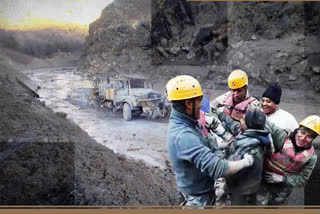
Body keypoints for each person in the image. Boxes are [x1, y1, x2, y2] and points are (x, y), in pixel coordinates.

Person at [166, 75, 254, 208]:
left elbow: (209, 144)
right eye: (199, 100)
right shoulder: (184, 136)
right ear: (188, 104)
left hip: (197, 189)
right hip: (197, 200)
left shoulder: (188, 122)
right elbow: (219, 168)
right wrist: (247, 161)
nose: (201, 105)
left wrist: (228, 145)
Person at [206, 108, 271, 205]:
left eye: (243, 119)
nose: (240, 120)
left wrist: (214, 147)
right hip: (251, 185)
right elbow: (233, 125)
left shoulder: (248, 147)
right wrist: (219, 113)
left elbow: (227, 167)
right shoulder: (256, 135)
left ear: (250, 124)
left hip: (241, 192)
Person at [257, 115, 320, 205]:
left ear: (313, 138)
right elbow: (266, 123)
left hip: (280, 191)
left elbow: (303, 180)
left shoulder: (311, 157)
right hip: (261, 181)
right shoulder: (282, 136)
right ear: (298, 129)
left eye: (309, 137)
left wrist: (283, 179)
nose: (303, 138)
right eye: (302, 132)